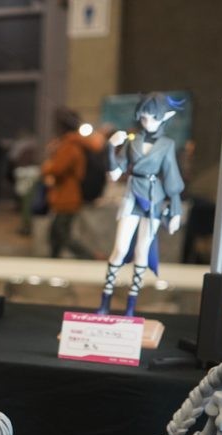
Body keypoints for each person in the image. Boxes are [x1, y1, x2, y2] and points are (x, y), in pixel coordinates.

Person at [97, 93, 185, 316]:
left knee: (142, 251)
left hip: (154, 198)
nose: (148, 122)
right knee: (119, 249)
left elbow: (172, 178)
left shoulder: (167, 144)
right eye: (144, 117)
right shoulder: (132, 140)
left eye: (153, 118)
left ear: (164, 117)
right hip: (132, 195)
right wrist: (110, 147)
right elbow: (115, 173)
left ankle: (131, 306)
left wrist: (175, 211)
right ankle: (105, 300)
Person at [42, 108, 95, 259]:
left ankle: (89, 258)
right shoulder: (74, 144)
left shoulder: (69, 145)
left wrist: (47, 165)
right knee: (56, 234)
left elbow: (57, 168)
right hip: (67, 195)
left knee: (61, 234)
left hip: (67, 196)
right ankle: (54, 260)